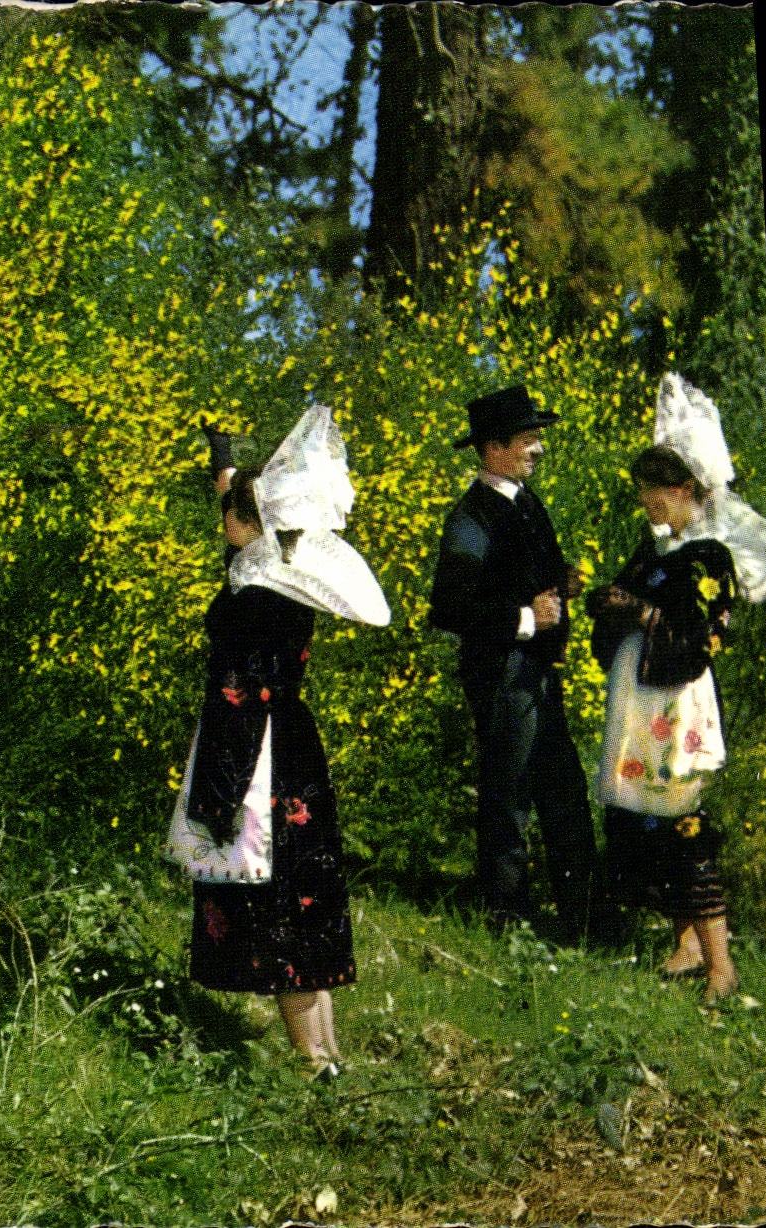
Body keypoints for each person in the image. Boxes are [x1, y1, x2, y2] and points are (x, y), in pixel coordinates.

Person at [167, 406, 390, 1080]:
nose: (220, 528)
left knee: (278, 897)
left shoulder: (249, 599)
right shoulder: (284, 572)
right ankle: (327, 1051)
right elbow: (243, 502)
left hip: (254, 748)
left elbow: (234, 697)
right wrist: (222, 459)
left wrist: (215, 795)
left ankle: (308, 1064)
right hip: (293, 740)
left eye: (227, 517)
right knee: (307, 887)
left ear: (244, 525)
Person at [586, 374, 766, 1004]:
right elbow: (621, 598)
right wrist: (610, 602)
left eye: (652, 492)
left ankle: (721, 962)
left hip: (675, 701)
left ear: (681, 491)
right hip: (640, 699)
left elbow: (702, 636)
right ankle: (687, 943)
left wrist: (639, 614)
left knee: (683, 825)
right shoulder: (660, 553)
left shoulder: (708, 558)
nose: (645, 503)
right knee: (646, 821)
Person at [427, 385, 601, 944]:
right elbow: (449, 607)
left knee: (563, 790)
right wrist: (527, 618)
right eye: (528, 439)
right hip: (501, 676)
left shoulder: (524, 502)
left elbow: (516, 577)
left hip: (535, 676)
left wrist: (560, 585)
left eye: (537, 438)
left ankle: (584, 918)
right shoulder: (470, 517)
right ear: (493, 448)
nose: (538, 449)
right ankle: (508, 923)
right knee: (510, 795)